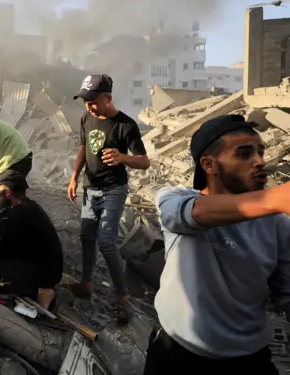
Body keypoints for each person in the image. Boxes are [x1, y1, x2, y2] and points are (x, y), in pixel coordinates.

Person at [143, 114, 290, 374]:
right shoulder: (175, 198)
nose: (260, 161)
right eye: (244, 154)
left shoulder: (278, 224)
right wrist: (275, 199)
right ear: (209, 165)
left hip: (248, 357)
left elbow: (286, 293)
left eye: (260, 151)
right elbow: (187, 214)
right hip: (177, 352)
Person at [67, 74, 150, 320]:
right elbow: (83, 147)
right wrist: (74, 176)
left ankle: (122, 297)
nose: (89, 106)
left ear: (108, 98)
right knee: (86, 237)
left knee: (106, 241)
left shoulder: (126, 125)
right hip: (90, 188)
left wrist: (123, 157)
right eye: (85, 101)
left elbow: (144, 161)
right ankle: (86, 283)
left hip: (114, 189)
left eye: (93, 100)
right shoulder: (86, 117)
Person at [0, 173, 64, 309]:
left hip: (42, 272)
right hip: (39, 264)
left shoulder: (21, 213)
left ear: (7, 192)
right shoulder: (22, 206)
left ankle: (40, 292)